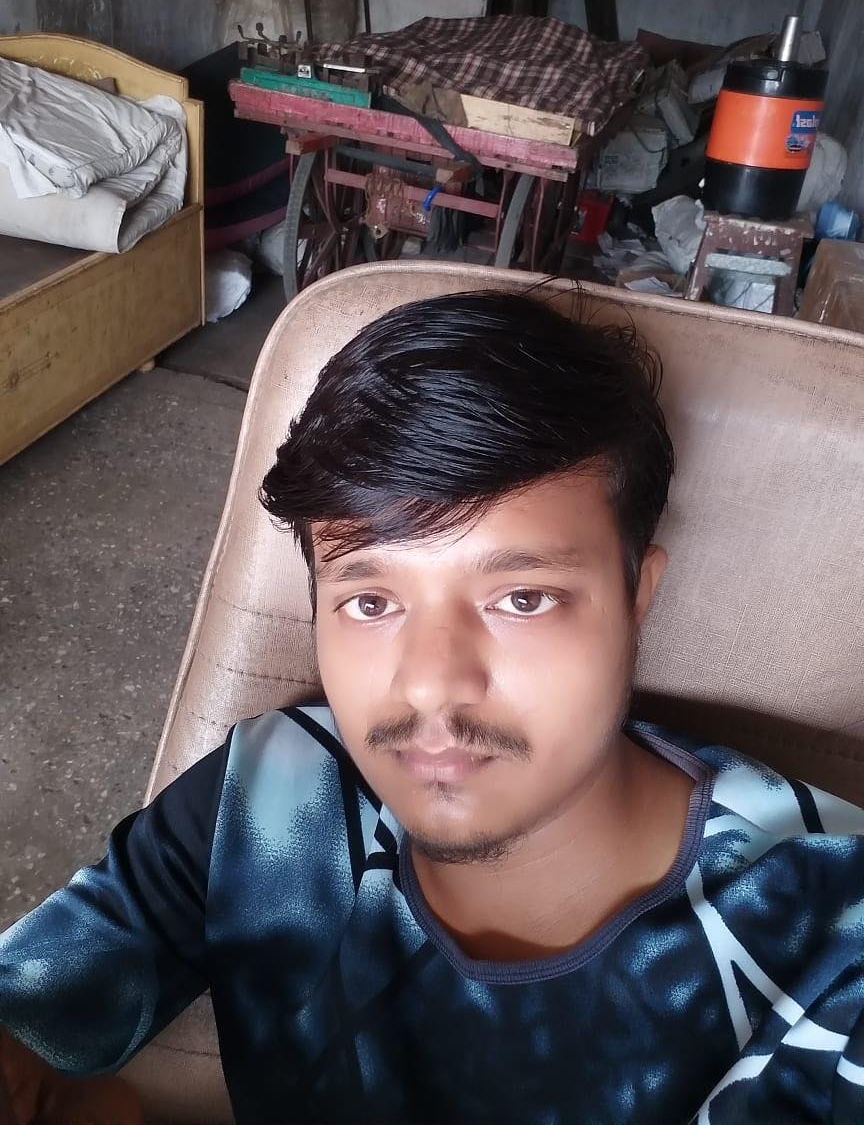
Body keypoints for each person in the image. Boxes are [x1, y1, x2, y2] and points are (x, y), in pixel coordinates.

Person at [1, 291, 862, 1125]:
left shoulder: (831, 934)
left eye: (522, 598)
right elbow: (36, 1005)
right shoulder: (270, 796)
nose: (429, 684)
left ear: (638, 595)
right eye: (371, 601)